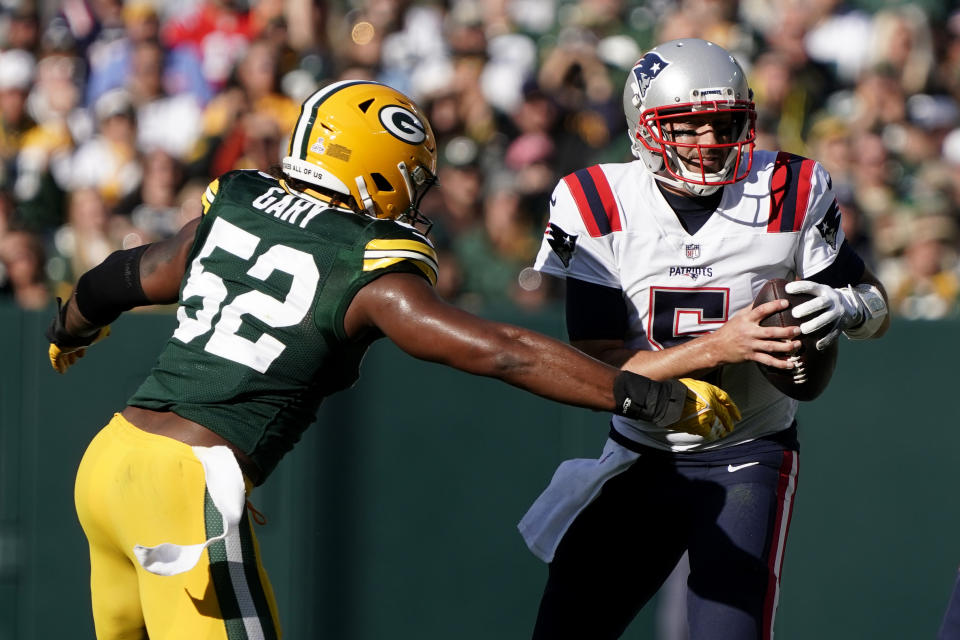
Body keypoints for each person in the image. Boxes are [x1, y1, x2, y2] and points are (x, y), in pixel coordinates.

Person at [45, 80, 755, 640]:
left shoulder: (237, 202)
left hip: (107, 464)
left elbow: (124, 273)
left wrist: (71, 325)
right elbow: (504, 352)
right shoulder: (372, 266)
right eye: (413, 176)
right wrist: (649, 396)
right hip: (183, 484)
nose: (418, 195)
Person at [518, 39, 890, 640]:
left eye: (724, 124)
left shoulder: (789, 186)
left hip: (750, 452)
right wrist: (722, 345)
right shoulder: (595, 202)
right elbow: (596, 358)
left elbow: (877, 306)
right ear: (644, 127)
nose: (710, 143)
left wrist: (848, 305)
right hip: (642, 450)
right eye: (688, 127)